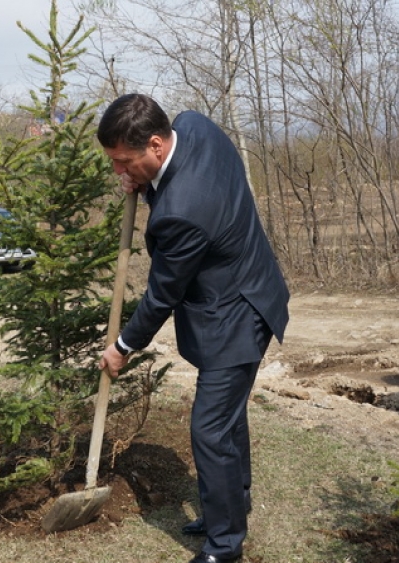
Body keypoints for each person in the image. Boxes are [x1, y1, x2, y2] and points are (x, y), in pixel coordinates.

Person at [97, 94, 290, 563]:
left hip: (237, 315)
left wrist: (122, 346)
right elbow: (168, 180)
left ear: (157, 145)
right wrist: (141, 186)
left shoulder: (184, 210)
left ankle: (224, 545)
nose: (119, 172)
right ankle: (232, 502)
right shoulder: (193, 125)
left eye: (125, 162)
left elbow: (163, 293)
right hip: (248, 286)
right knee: (225, 419)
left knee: (208, 428)